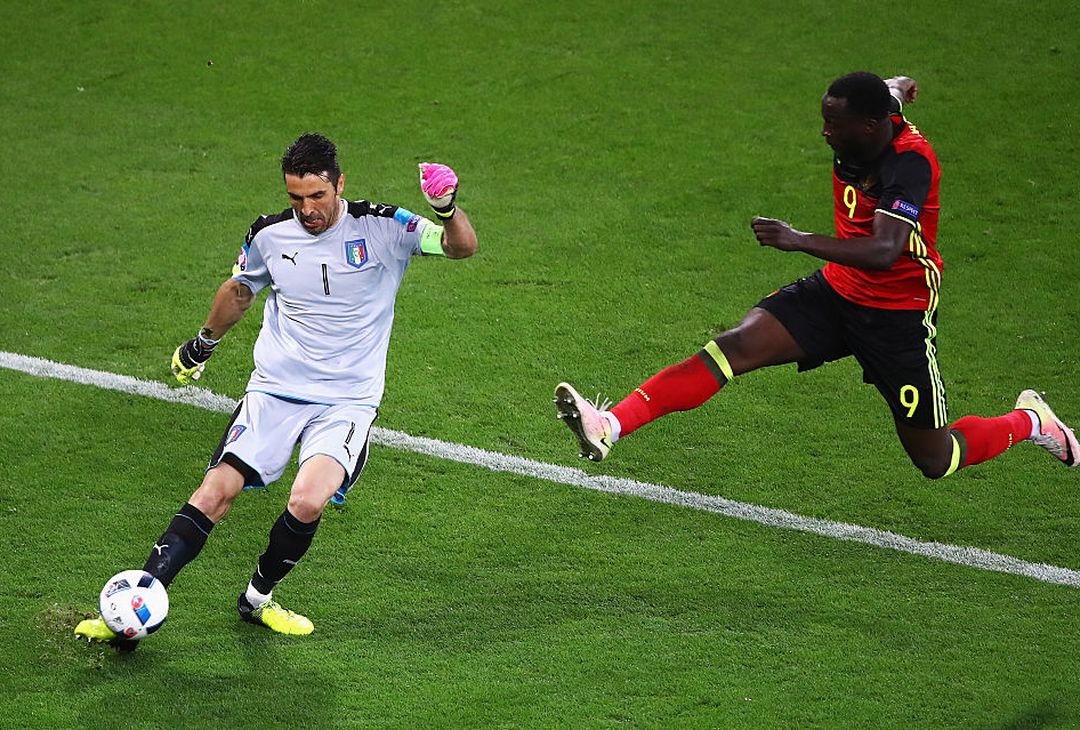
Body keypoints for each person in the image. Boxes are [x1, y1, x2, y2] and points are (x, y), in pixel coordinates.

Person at [555, 72, 1076, 477]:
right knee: (733, 346)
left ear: (870, 127)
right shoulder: (875, 114)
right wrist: (899, 83)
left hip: (895, 315)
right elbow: (888, 91)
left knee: (935, 460)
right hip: (837, 291)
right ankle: (610, 425)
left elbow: (884, 250)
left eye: (834, 125)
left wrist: (797, 239)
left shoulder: (908, 165)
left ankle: (1031, 421)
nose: (825, 132)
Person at [76, 133, 478, 646]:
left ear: (339, 184)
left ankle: (257, 599)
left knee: (308, 500)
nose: (306, 210)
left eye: (317, 196)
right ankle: (137, 602)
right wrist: (202, 345)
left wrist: (445, 208)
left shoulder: (385, 226)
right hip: (274, 390)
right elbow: (241, 290)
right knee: (214, 492)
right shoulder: (269, 235)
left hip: (346, 401)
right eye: (295, 198)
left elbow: (460, 247)